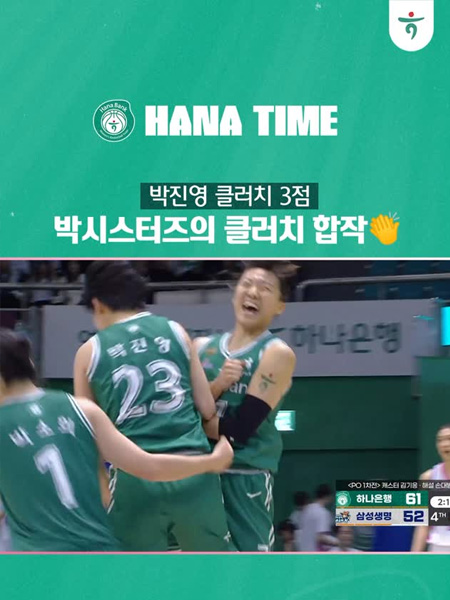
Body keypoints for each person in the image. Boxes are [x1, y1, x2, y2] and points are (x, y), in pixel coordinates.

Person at [0, 328, 233, 552]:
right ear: (30, 364)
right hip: (98, 555)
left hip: (35, 561)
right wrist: (211, 461)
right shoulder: (83, 409)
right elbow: (149, 467)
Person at [74, 261, 233, 551]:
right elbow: (207, 407)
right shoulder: (175, 331)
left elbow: (87, 439)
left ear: (97, 304)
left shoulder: (88, 352)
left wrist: (103, 492)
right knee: (212, 570)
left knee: (138, 575)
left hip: (135, 477)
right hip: (193, 469)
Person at [195, 261, 297, 552]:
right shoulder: (201, 347)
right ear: (234, 294)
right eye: (247, 284)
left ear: (280, 306)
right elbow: (179, 411)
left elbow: (239, 430)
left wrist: (197, 424)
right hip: (198, 473)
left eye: (265, 288)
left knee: (248, 570)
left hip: (243, 476)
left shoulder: (276, 353)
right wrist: (218, 384)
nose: (253, 292)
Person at [411, 424, 450, 553]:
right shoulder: (428, 478)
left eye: (449, 439)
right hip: (439, 549)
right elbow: (423, 524)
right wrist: (414, 557)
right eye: (440, 440)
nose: (444, 444)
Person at [297, 484, 336, 552]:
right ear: (328, 496)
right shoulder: (322, 513)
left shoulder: (306, 510)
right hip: (315, 554)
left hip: (303, 552)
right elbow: (320, 537)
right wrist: (339, 542)